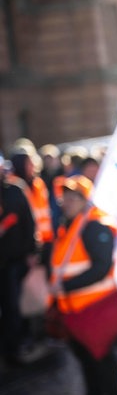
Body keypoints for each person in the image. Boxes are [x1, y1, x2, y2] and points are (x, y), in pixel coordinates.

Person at [51, 175, 117, 395]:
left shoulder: (94, 226)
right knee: (87, 363)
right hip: (75, 311)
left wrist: (65, 286)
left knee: (103, 362)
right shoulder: (68, 226)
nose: (67, 202)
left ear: (85, 200)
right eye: (65, 198)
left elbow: (102, 267)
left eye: (73, 198)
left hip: (97, 309)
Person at [0, 153, 37, 367]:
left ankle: (13, 349)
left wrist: (31, 251)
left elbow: (29, 222)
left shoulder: (15, 190)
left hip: (13, 261)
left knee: (13, 306)